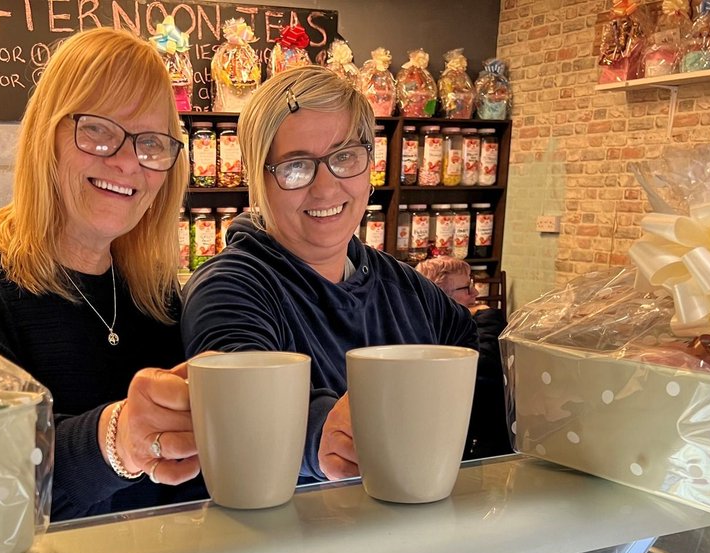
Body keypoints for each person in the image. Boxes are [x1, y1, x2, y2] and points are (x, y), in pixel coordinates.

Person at [0, 28, 204, 520]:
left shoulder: (160, 299)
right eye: (99, 130)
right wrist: (119, 440)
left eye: (151, 142)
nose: (129, 161)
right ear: (48, 137)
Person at [182, 65, 509, 482]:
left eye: (344, 158)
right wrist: (322, 435)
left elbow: (466, 346)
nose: (325, 188)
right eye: (296, 166)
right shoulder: (230, 287)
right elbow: (242, 395)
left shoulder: (401, 283)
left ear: (370, 165)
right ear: (257, 178)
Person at [415, 257, 512, 456]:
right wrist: (488, 316)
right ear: (441, 296)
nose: (475, 293)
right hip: (469, 443)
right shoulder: (480, 321)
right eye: (467, 287)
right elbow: (482, 369)